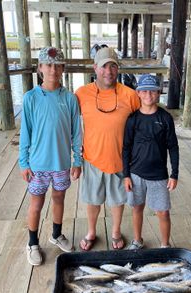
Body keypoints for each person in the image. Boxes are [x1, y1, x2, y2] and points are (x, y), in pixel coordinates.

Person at [19, 47, 82, 266]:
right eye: (48, 65)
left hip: (62, 163)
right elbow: (25, 132)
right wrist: (23, 162)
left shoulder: (70, 98)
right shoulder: (31, 98)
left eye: (57, 65)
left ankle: (56, 234)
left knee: (59, 198)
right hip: (37, 164)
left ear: (63, 69)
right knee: (36, 204)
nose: (53, 70)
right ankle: (32, 242)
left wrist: (77, 160)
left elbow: (76, 132)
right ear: (40, 69)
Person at [75, 47, 140, 251]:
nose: (109, 71)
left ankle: (116, 231)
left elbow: (142, 123)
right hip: (92, 157)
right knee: (92, 199)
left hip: (120, 159)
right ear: (95, 68)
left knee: (117, 199)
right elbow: (67, 123)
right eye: (104, 66)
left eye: (113, 66)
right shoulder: (81, 93)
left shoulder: (130, 95)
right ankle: (91, 231)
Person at [122, 74, 179, 249]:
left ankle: (165, 245)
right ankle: (137, 240)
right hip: (136, 173)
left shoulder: (165, 118)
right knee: (137, 208)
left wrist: (174, 174)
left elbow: (173, 147)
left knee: (163, 212)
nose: (148, 95)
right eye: (144, 91)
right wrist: (126, 175)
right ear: (138, 93)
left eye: (153, 91)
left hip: (159, 175)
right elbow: (125, 148)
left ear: (159, 93)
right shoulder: (132, 119)